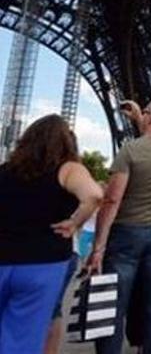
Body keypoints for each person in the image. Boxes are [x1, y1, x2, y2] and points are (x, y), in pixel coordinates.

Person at [85, 98, 151, 354]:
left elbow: (112, 199)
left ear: (149, 117)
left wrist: (98, 247)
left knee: (114, 305)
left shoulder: (130, 150)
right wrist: (141, 117)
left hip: (126, 234)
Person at [0, 115, 103, 354]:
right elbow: (95, 195)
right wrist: (74, 223)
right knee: (23, 336)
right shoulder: (68, 169)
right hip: (43, 263)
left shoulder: (5, 170)